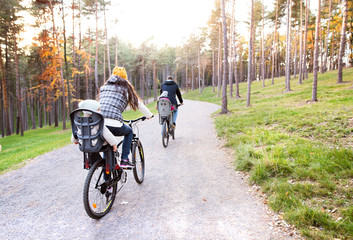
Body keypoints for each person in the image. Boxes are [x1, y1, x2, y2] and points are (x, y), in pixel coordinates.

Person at [99, 66, 153, 169]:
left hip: (99, 123)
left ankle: (107, 183)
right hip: (114, 123)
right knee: (129, 132)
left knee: (107, 146)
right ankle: (124, 159)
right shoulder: (125, 89)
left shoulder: (103, 88)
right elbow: (139, 104)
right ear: (125, 78)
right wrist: (149, 115)